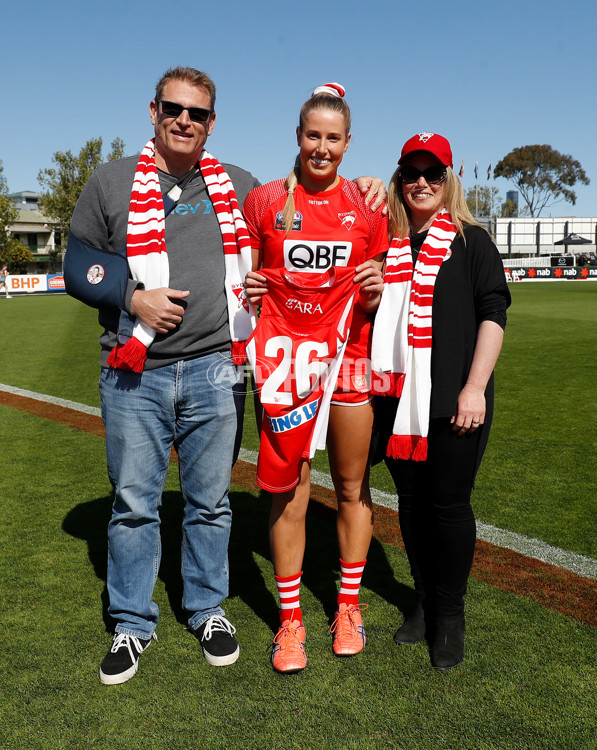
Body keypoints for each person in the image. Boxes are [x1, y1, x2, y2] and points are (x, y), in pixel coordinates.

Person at [66, 66, 260, 685]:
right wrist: (131, 295)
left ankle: (206, 608)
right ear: (153, 112)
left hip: (217, 370)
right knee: (132, 504)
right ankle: (131, 621)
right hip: (135, 374)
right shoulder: (111, 181)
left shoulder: (241, 185)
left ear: (211, 123)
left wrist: (365, 186)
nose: (184, 120)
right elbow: (76, 263)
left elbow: (302, 210)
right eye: (173, 109)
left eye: (197, 113)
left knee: (210, 504)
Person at [243, 83, 388, 674]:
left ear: (348, 143)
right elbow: (248, 282)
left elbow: (378, 294)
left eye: (333, 138)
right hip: (286, 364)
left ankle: (347, 608)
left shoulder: (370, 206)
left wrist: (375, 293)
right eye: (313, 135)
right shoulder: (265, 203)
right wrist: (253, 290)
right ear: (298, 137)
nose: (322, 147)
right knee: (289, 491)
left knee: (351, 488)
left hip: (348, 360)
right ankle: (292, 623)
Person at [370, 132, 510, 671]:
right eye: (412, 173)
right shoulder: (387, 243)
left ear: (449, 178)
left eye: (433, 173)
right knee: (410, 505)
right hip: (399, 401)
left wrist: (474, 387)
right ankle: (423, 602)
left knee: (449, 507)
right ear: (400, 179)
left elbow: (493, 315)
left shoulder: (472, 241)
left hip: (455, 399)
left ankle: (450, 615)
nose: (422, 183)